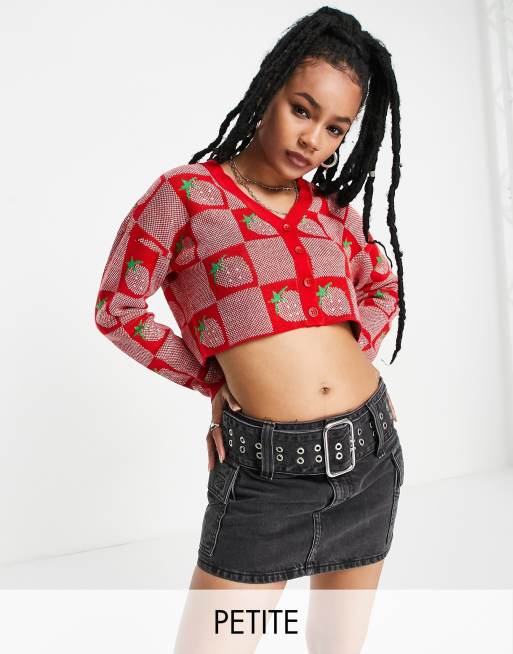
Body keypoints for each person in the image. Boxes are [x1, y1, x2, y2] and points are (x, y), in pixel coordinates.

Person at [95, 5, 406, 651]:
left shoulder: (332, 214)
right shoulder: (186, 196)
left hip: (371, 454)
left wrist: (357, 356)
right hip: (266, 477)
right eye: (301, 110)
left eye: (335, 128)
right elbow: (117, 308)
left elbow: (381, 286)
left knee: (336, 646)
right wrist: (209, 378)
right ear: (268, 91)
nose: (313, 139)